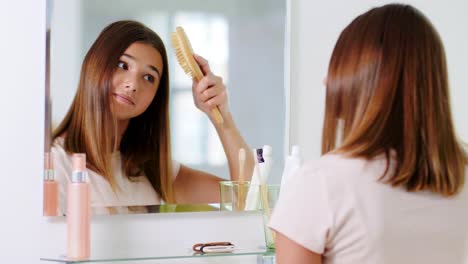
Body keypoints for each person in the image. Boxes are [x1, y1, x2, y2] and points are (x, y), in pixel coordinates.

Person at [269, 4, 468, 264]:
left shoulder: (320, 184)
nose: (326, 81)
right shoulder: (460, 175)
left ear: (362, 78)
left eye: (338, 66)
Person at [51, 20, 253, 214]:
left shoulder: (154, 171)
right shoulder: (55, 163)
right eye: (123, 65)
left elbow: (248, 196)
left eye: (149, 77)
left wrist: (221, 116)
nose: (133, 84)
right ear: (94, 64)